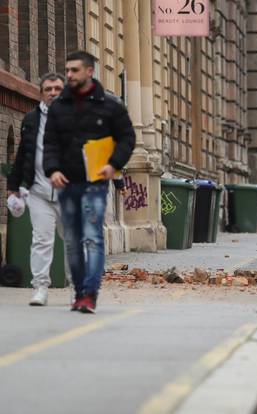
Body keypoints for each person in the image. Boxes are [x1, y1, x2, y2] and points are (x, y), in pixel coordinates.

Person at [43, 51, 136, 313]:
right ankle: (80, 290)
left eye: (74, 70)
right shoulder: (59, 106)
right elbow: (49, 143)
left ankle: (89, 294)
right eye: (68, 70)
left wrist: (113, 164)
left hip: (95, 182)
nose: (69, 75)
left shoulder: (110, 105)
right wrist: (52, 170)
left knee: (93, 238)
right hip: (67, 182)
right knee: (72, 240)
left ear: (89, 72)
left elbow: (127, 138)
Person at [7, 73, 70, 306]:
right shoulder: (31, 119)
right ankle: (40, 287)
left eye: (57, 88)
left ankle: (78, 287)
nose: (53, 92)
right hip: (39, 191)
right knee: (41, 240)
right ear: (40, 93)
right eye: (48, 89)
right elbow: (23, 154)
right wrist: (13, 186)